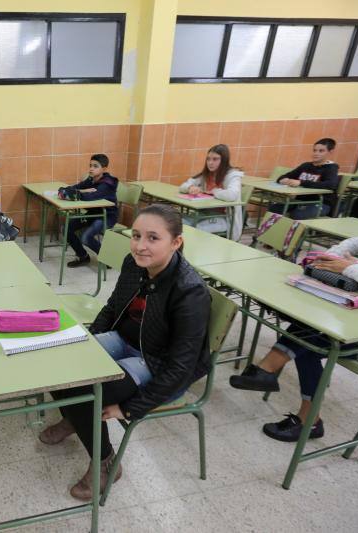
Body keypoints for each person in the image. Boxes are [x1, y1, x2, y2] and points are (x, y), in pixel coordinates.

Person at [39, 204, 211, 500]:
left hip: (157, 362)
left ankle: (106, 462)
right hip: (124, 339)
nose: (140, 246)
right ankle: (75, 417)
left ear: (176, 242)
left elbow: (181, 367)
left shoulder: (189, 291)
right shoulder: (134, 264)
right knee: (60, 360)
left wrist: (131, 408)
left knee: (86, 390)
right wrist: (89, 343)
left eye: (153, 238)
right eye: (136, 235)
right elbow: (112, 307)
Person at [229, 209, 358, 442]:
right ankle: (298, 407)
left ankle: (273, 376)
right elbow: (348, 248)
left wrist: (353, 268)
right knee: (312, 326)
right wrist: (342, 259)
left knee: (312, 341)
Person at [178, 144, 244, 240]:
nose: (210, 163)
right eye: (208, 159)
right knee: (179, 224)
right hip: (204, 214)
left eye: (215, 159)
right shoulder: (206, 175)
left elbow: (232, 195)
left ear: (224, 160)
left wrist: (214, 191)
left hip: (224, 218)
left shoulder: (233, 175)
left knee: (196, 229)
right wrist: (190, 187)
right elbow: (183, 186)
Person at [65, 154, 119, 267]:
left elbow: (90, 197)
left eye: (95, 166)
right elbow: (72, 189)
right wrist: (84, 191)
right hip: (93, 214)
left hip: (107, 216)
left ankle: (107, 259)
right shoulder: (91, 179)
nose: (91, 168)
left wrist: (81, 192)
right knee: (67, 228)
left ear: (104, 169)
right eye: (90, 165)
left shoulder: (107, 183)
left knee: (86, 236)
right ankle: (83, 256)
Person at [270, 138, 340, 220]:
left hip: (321, 203)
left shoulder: (331, 168)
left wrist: (301, 183)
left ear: (330, 152)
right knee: (274, 209)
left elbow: (331, 184)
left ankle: (296, 232)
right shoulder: (306, 166)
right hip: (300, 200)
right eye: (314, 150)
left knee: (298, 215)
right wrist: (283, 180)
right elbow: (285, 176)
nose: (316, 153)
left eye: (321, 151)